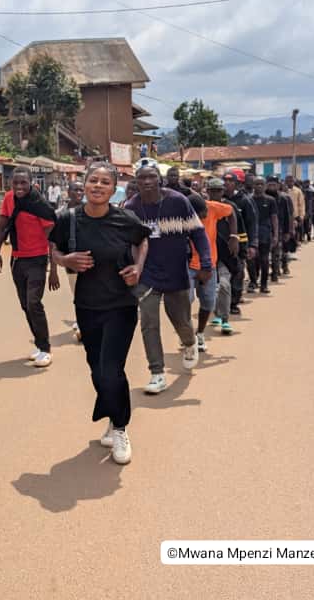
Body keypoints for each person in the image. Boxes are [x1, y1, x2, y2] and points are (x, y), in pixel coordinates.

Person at [50, 163, 150, 465]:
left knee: (110, 370)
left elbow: (143, 241)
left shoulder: (125, 219)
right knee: (97, 370)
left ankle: (120, 428)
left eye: (105, 182)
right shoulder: (68, 219)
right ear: (84, 184)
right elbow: (51, 247)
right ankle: (111, 416)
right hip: (87, 306)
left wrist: (138, 268)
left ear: (113, 188)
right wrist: (64, 259)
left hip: (121, 305)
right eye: (93, 180)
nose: (97, 185)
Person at [125, 164, 210, 393]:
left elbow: (198, 233)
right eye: (142, 178)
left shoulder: (178, 202)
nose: (147, 181)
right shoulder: (131, 207)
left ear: (160, 179)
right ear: (136, 181)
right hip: (148, 274)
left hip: (175, 272)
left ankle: (190, 343)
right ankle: (157, 373)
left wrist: (206, 263)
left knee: (180, 320)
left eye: (152, 177)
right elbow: (126, 242)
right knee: (149, 322)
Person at [0, 167, 57, 367]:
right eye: (15, 183)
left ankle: (46, 349)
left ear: (32, 184)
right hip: (17, 260)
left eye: (23, 183)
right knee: (25, 305)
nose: (19, 187)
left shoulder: (40, 205)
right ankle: (39, 344)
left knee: (34, 303)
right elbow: (2, 226)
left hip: (37, 260)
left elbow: (52, 237)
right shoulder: (9, 199)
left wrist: (53, 270)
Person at [49, 179, 85, 339]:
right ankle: (81, 322)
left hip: (91, 260)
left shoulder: (90, 211)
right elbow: (53, 244)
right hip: (70, 263)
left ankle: (84, 324)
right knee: (77, 294)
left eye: (81, 190)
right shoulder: (59, 215)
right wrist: (54, 270)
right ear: (68, 192)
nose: (78, 193)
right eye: (75, 190)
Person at [203, 178, 239, 336]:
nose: (215, 193)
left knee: (224, 285)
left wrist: (236, 240)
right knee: (209, 291)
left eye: (218, 190)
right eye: (212, 191)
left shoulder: (230, 208)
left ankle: (224, 319)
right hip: (205, 257)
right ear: (207, 192)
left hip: (224, 255)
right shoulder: (202, 207)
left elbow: (239, 227)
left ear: (223, 192)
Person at [223, 171, 257, 314]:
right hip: (221, 243)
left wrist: (252, 245)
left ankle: (233, 303)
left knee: (238, 273)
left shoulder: (245, 200)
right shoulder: (219, 199)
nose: (227, 183)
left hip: (240, 243)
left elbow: (251, 223)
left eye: (231, 181)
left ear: (237, 183)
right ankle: (223, 301)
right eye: (225, 180)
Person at [249, 178, 279, 295]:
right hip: (250, 234)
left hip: (265, 234)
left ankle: (264, 284)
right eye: (257, 184)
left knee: (264, 260)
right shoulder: (248, 200)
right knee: (251, 260)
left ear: (265, 186)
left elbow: (274, 218)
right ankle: (252, 282)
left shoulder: (270, 200)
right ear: (253, 185)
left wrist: (275, 235)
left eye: (262, 184)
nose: (259, 186)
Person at [285, 175, 306, 246]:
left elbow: (301, 204)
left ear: (294, 182)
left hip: (295, 215)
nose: (289, 183)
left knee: (295, 232)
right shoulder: (283, 190)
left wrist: (301, 215)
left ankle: (294, 246)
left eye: (291, 181)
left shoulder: (298, 191)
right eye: (288, 181)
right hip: (285, 215)